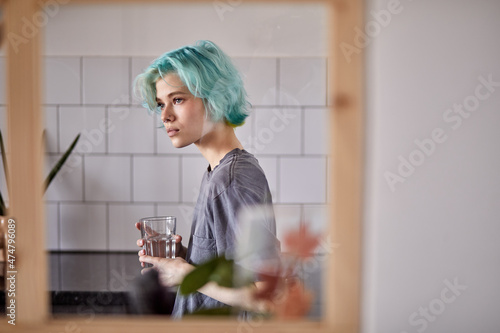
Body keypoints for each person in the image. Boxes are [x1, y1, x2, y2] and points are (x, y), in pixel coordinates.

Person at [134, 40, 280, 318]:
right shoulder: (219, 172)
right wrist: (184, 257)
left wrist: (186, 273)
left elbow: (266, 296)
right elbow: (234, 270)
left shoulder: (231, 179)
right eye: (160, 104)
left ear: (215, 98)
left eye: (177, 99)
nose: (165, 116)